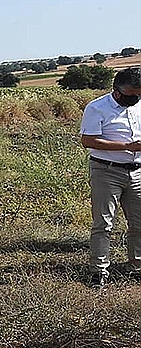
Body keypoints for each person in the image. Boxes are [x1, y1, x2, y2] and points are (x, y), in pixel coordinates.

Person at [79, 66, 141, 288]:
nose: (134, 100)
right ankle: (99, 270)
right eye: (130, 96)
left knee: (138, 222)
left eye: (138, 95)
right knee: (104, 222)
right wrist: (127, 146)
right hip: (106, 170)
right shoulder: (97, 108)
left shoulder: (139, 104)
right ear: (117, 90)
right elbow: (88, 140)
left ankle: (136, 266)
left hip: (137, 170)